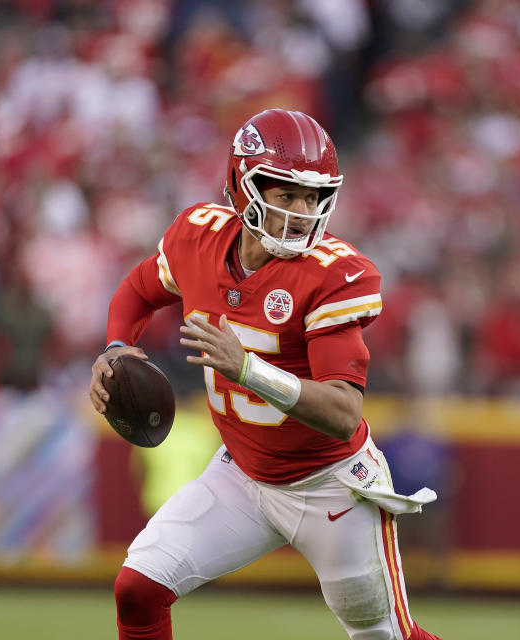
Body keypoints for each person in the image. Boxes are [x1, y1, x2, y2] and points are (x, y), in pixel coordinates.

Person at [88, 109, 441, 640]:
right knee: (138, 588)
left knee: (386, 636)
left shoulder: (334, 275)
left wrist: (248, 369)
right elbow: (139, 291)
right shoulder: (198, 238)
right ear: (242, 184)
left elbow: (345, 415)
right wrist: (117, 348)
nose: (302, 212)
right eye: (287, 194)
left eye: (313, 197)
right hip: (242, 475)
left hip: (331, 487)